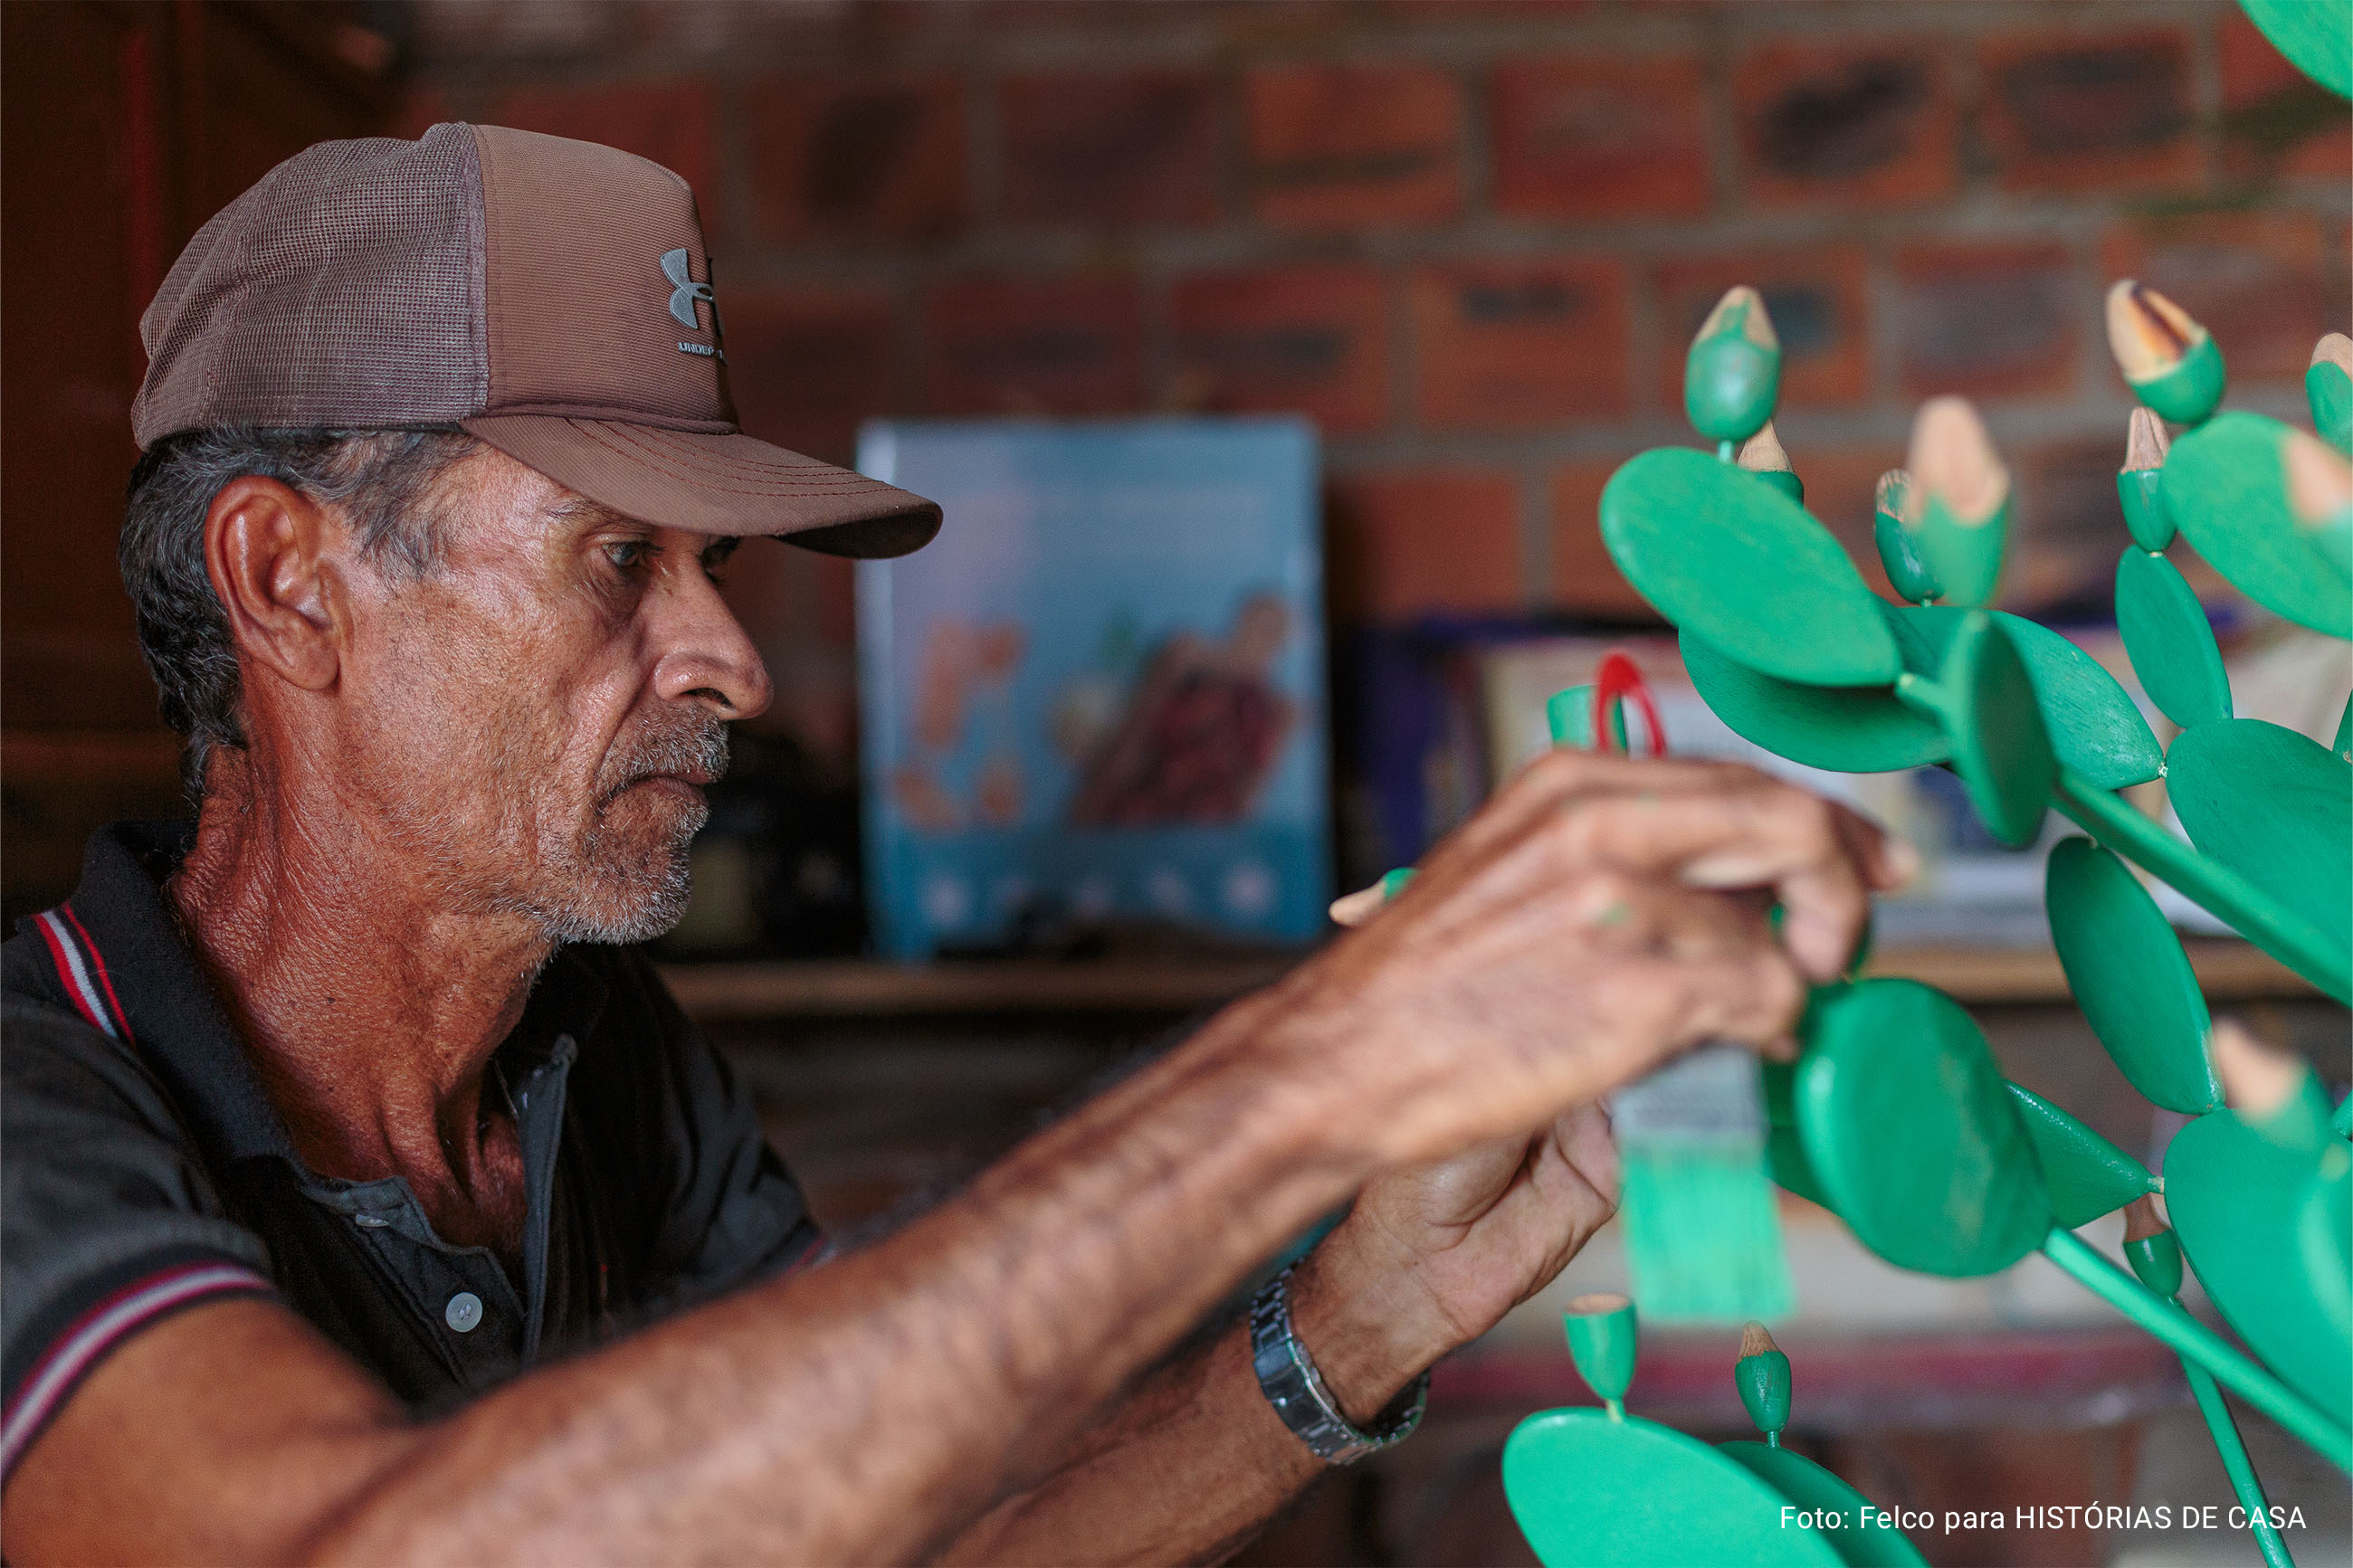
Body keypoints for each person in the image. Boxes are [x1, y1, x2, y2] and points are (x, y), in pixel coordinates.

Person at [0, 125, 1908, 1565]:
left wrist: (1358, 1315)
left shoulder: (610, 1064)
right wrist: (1320, 1067)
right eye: (616, 561)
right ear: (287, 583)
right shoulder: (37, 1100)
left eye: (715, 570)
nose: (731, 659)